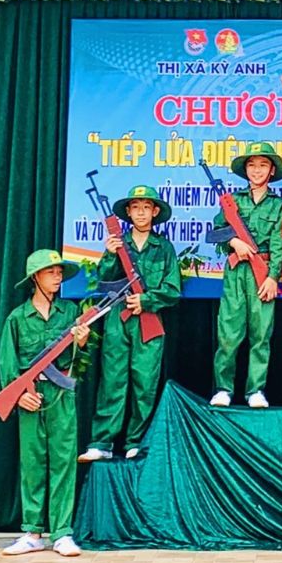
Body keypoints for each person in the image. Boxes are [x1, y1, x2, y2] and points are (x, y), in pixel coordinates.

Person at [78, 185, 181, 462]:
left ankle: (136, 441)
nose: (141, 213)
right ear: (128, 212)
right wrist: (111, 254)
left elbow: (173, 290)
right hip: (118, 320)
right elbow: (103, 281)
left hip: (149, 320)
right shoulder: (118, 244)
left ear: (155, 211)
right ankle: (102, 442)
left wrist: (146, 300)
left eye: (146, 207)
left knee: (144, 383)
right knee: (112, 380)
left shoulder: (164, 248)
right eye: (136, 207)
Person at [0, 249, 89, 556]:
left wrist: (81, 343)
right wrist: (19, 395)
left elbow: (82, 364)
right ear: (35, 277)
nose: (57, 276)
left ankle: (62, 532)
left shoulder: (70, 312)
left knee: (64, 461)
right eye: (51, 272)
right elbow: (7, 362)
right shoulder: (17, 318)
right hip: (31, 396)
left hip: (61, 394)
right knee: (33, 464)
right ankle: (33, 532)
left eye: (60, 272)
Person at [210, 142, 282, 408]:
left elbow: (279, 243)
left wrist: (273, 277)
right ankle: (223, 389)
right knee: (228, 333)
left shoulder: (278, 205)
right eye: (252, 165)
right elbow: (216, 232)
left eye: (263, 165)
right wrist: (234, 242)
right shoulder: (233, 201)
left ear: (272, 170)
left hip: (262, 271)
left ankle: (255, 390)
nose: (257, 170)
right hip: (236, 270)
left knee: (261, 334)